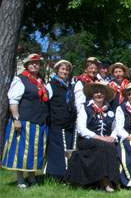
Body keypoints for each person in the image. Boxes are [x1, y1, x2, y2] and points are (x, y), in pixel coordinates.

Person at [2, 54, 49, 188]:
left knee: (35, 152)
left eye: (37, 63)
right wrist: (16, 118)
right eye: (32, 63)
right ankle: (20, 179)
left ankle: (32, 177)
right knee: (21, 151)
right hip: (24, 121)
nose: (35, 65)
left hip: (39, 122)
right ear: (27, 65)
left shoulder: (40, 81)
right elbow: (13, 101)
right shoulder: (20, 79)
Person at [65, 82, 119, 192]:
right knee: (103, 145)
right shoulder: (85, 108)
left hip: (105, 141)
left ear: (105, 95)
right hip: (86, 141)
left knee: (111, 146)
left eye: (102, 92)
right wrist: (100, 138)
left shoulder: (109, 110)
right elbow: (81, 129)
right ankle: (105, 181)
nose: (99, 94)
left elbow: (115, 127)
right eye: (96, 92)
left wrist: (112, 136)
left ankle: (109, 180)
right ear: (92, 95)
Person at [45, 59, 77, 179]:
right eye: (63, 69)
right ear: (57, 70)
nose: (65, 71)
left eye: (67, 69)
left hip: (69, 123)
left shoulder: (69, 86)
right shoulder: (51, 85)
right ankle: (55, 175)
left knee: (67, 149)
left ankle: (66, 174)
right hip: (57, 122)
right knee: (57, 149)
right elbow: (46, 103)